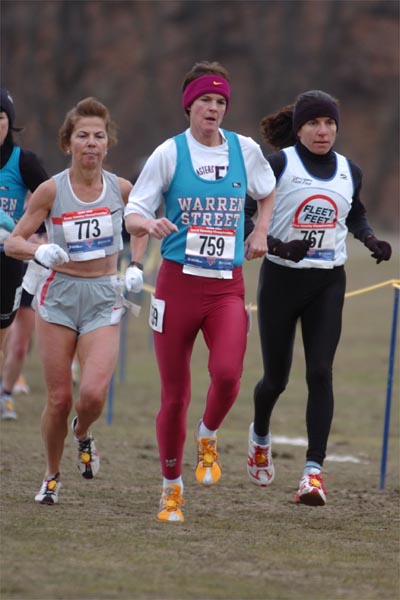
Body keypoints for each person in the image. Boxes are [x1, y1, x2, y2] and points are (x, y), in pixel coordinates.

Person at [125, 61, 276, 523]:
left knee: (229, 374)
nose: (213, 108)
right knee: (174, 396)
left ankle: (208, 435)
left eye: (221, 102)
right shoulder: (168, 154)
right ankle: (172, 489)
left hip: (226, 287)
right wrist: (148, 223)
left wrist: (260, 231)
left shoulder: (244, 150)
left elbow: (267, 192)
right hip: (176, 286)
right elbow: (133, 211)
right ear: (189, 105)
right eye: (205, 100)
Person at [245, 90, 392, 506]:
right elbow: (242, 213)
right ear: (299, 128)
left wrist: (368, 238)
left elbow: (354, 211)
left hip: (328, 281)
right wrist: (276, 245)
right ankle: (259, 436)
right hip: (280, 281)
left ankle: (312, 474)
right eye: (313, 123)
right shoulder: (279, 165)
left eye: (329, 123)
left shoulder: (350, 170)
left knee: (321, 373)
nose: (322, 131)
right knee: (276, 379)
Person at [5, 97, 146, 504]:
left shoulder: (121, 189)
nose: (91, 143)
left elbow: (139, 224)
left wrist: (135, 264)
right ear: (68, 143)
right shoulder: (52, 190)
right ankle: (51, 475)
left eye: (98, 136)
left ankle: (82, 432)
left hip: (104, 296)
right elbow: (14, 240)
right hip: (59, 296)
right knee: (59, 398)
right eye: (82, 136)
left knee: (92, 396)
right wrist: (39, 252)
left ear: (108, 143)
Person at [0, 87, 49, 419]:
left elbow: (52, 201)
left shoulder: (24, 162)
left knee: (6, 338)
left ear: (9, 122)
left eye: (0, 117)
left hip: (8, 260)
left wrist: (42, 238)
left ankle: (4, 393)